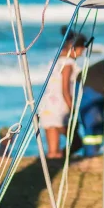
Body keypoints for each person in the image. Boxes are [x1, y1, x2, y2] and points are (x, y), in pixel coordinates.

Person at [39, 28, 88, 159]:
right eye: (81, 50)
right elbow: (65, 89)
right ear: (74, 48)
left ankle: (54, 165)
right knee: (77, 142)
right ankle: (62, 160)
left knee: (52, 151)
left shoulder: (56, 60)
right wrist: (72, 109)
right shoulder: (68, 64)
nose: (82, 54)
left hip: (47, 105)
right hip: (60, 107)